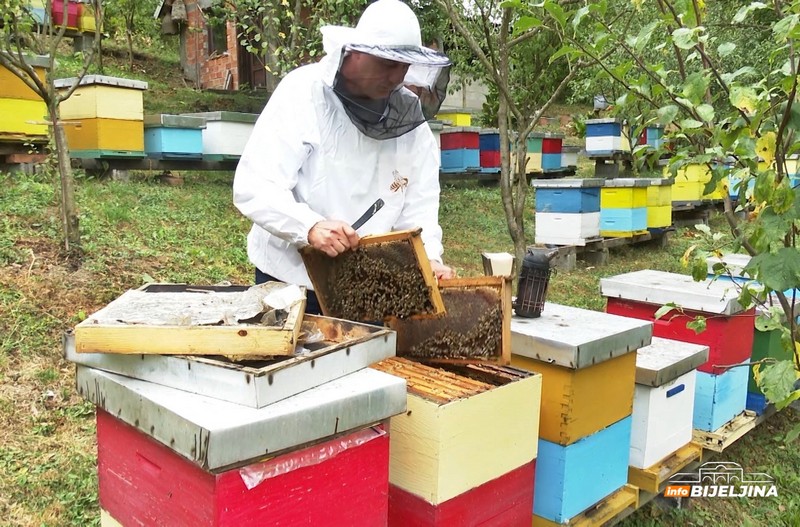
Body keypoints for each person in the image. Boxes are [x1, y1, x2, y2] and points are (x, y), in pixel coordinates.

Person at [233, 0, 456, 315]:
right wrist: (310, 227)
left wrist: (430, 258)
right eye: (388, 63)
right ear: (357, 52)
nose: (397, 77)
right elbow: (255, 185)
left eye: (404, 66)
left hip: (367, 286)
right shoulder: (302, 92)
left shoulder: (410, 118)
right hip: (290, 282)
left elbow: (419, 206)